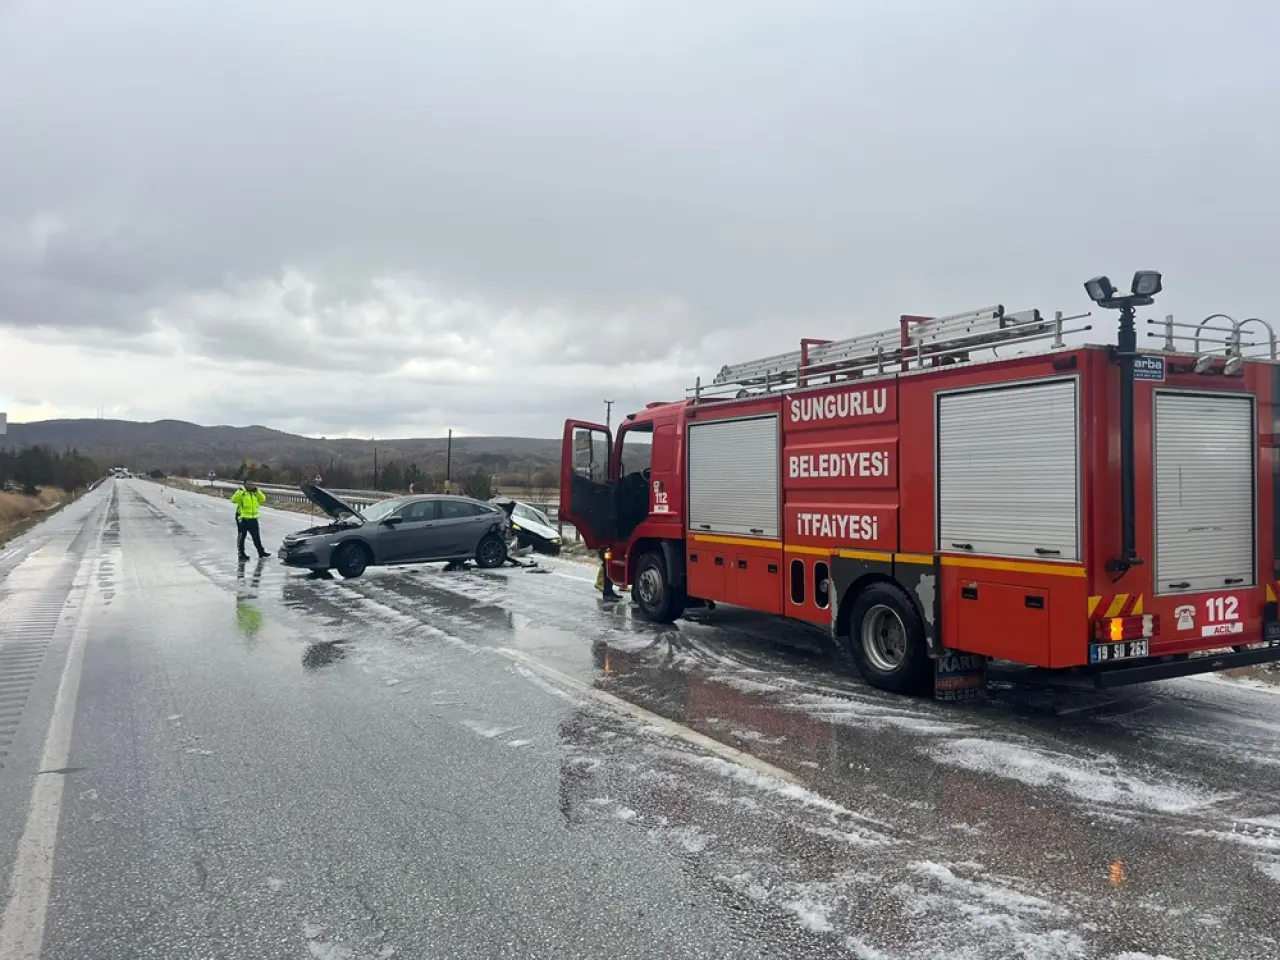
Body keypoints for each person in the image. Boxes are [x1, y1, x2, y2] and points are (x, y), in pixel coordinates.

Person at [232, 480, 269, 560]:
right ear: (245, 484)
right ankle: (241, 553)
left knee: (256, 536)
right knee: (242, 536)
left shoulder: (255, 493)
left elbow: (263, 499)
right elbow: (234, 500)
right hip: (243, 518)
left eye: (252, 484)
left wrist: (257, 491)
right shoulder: (242, 492)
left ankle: (261, 552)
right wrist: (241, 492)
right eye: (248, 484)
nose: (251, 486)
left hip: (253, 518)